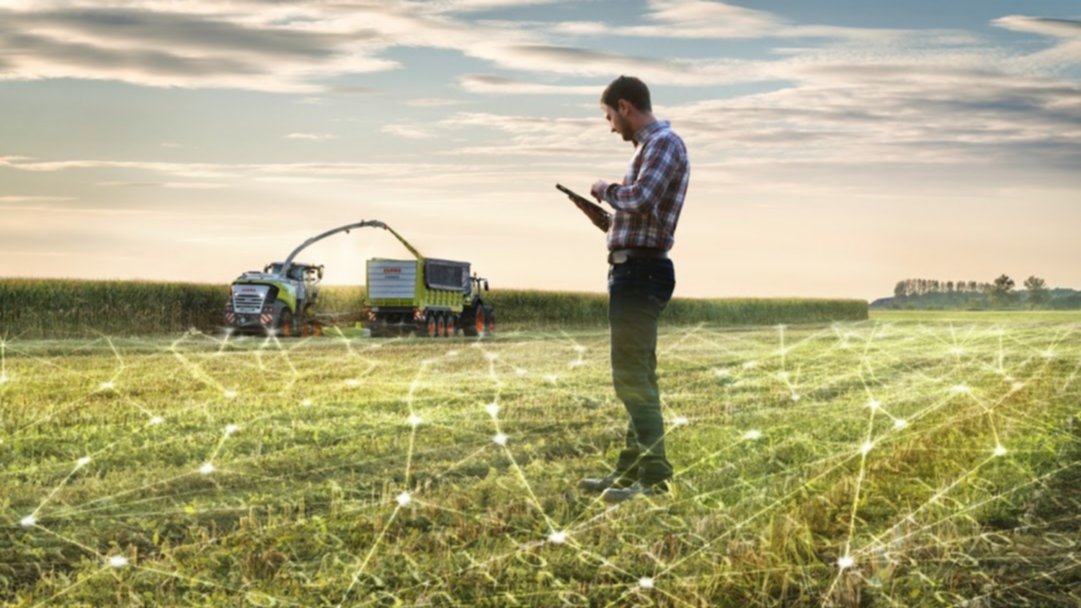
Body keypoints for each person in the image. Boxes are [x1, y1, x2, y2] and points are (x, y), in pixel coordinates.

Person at [578, 75, 689, 503]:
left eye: (609, 116)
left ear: (624, 107)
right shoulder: (651, 148)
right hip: (634, 268)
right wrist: (607, 223)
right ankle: (629, 472)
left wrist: (604, 189)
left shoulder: (663, 143)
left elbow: (640, 198)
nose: (610, 127)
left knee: (629, 377)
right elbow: (641, 217)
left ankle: (655, 476)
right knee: (638, 376)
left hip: (640, 274)